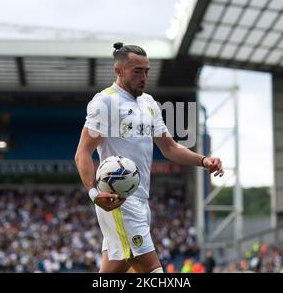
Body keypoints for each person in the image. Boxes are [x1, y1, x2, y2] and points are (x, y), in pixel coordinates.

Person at [75, 42, 224, 273]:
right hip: (120, 202)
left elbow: (170, 148)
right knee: (153, 272)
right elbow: (82, 153)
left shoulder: (149, 104)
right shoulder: (105, 102)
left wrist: (204, 161)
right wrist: (94, 193)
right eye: (137, 71)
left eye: (146, 71)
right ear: (119, 71)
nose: (144, 77)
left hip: (142, 201)